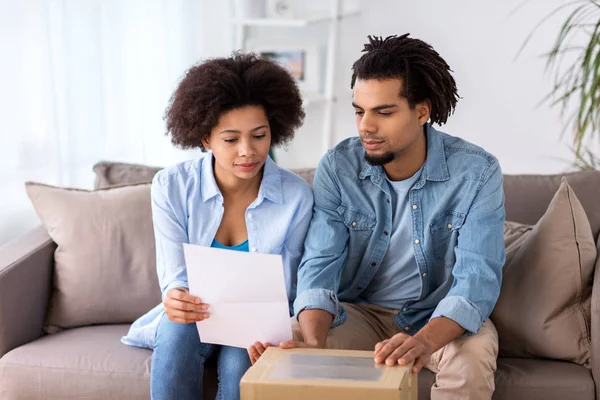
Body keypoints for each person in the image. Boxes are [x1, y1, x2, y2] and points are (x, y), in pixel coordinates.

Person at [277, 34, 505, 400]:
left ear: (421, 111)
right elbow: (319, 266)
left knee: (472, 357)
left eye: (383, 112)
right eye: (359, 111)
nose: (366, 126)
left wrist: (422, 342)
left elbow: (477, 280)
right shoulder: (338, 167)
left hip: (436, 315)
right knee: (288, 345)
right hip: (356, 314)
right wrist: (313, 344)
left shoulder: (477, 173)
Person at [121, 53, 314, 400]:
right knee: (177, 331)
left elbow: (290, 285)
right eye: (230, 139)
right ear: (205, 139)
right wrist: (176, 298)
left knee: (241, 360)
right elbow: (174, 276)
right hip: (194, 317)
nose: (248, 152)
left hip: (256, 319)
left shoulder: (297, 197)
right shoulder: (171, 186)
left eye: (259, 135)